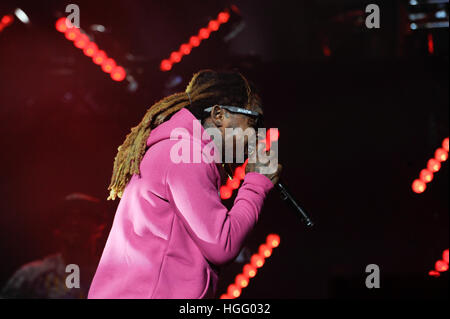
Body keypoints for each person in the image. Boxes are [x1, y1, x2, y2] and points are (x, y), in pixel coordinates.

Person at [88, 69, 282, 299]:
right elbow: (222, 245)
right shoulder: (186, 157)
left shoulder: (176, 150)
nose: (256, 135)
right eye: (254, 121)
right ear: (219, 115)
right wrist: (256, 184)